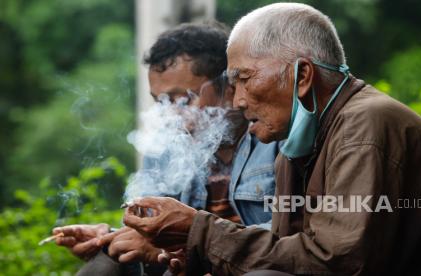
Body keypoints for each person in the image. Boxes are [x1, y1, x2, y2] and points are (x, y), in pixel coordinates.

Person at [121, 3, 421, 276]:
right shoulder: (297, 144)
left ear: (302, 75)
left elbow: (338, 264)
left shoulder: (363, 127)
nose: (238, 100)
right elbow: (287, 249)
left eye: (244, 79)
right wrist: (199, 254)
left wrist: (201, 231)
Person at [52, 21, 279, 274]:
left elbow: (290, 238)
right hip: (182, 265)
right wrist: (110, 238)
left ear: (229, 88)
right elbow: (149, 233)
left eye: (182, 100)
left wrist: (184, 247)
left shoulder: (276, 138)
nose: (168, 115)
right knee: (107, 262)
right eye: (160, 102)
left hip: (246, 266)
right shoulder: (166, 146)